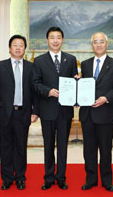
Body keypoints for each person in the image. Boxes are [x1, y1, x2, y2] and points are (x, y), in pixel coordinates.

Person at [0, 35, 39, 190]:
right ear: (9, 48)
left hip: (23, 113)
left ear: (25, 49)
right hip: (5, 113)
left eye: (21, 45)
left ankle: (20, 178)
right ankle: (7, 178)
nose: (18, 48)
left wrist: (35, 111)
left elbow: (35, 91)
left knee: (21, 147)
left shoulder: (31, 67)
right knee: (6, 147)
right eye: (15, 45)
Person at [79, 32, 113, 192]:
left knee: (106, 150)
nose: (98, 45)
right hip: (87, 114)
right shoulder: (84, 64)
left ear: (107, 44)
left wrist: (106, 98)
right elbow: (82, 86)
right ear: (91, 45)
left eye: (101, 42)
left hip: (105, 114)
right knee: (88, 150)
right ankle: (90, 179)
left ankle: (107, 181)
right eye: (95, 42)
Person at [33, 27, 78, 190]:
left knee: (63, 146)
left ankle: (61, 178)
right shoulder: (39, 61)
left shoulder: (71, 59)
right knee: (48, 146)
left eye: (58, 37)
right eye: (52, 37)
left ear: (62, 40)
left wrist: (77, 82)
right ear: (47, 40)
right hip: (47, 110)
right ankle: (49, 178)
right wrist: (48, 91)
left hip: (65, 111)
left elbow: (74, 82)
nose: (55, 40)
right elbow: (35, 83)